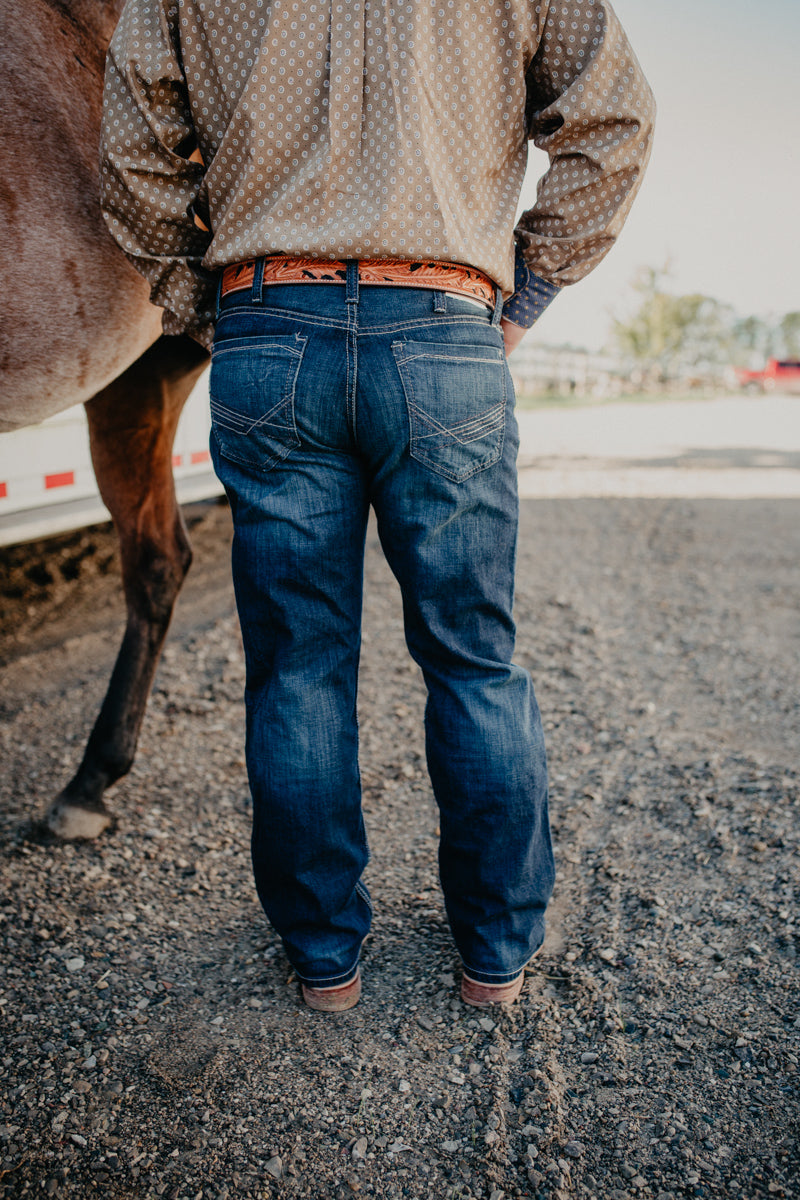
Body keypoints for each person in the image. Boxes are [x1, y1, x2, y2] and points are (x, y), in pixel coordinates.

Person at [100, 0, 654, 1012]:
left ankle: (325, 961)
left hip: (268, 315)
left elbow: (133, 151)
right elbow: (612, 123)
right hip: (444, 321)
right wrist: (527, 292)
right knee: (473, 656)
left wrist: (206, 307)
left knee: (296, 665)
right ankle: (492, 955)